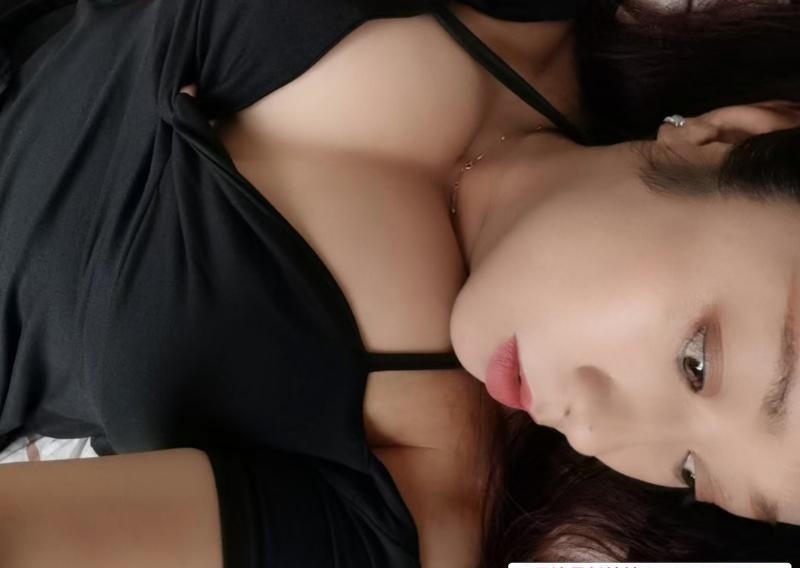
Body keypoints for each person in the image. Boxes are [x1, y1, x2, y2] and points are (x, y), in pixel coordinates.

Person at [0, 0, 799, 567]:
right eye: (697, 361)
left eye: (690, 471)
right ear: (727, 137)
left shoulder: (404, 506)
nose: (593, 431)